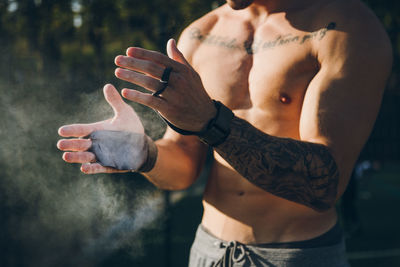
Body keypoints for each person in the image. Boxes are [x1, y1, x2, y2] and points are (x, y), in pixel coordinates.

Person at [57, 0, 392, 265]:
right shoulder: (200, 34)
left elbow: (323, 185)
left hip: (298, 255)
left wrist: (212, 122)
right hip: (209, 252)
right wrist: (146, 154)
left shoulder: (347, 28)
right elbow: (184, 165)